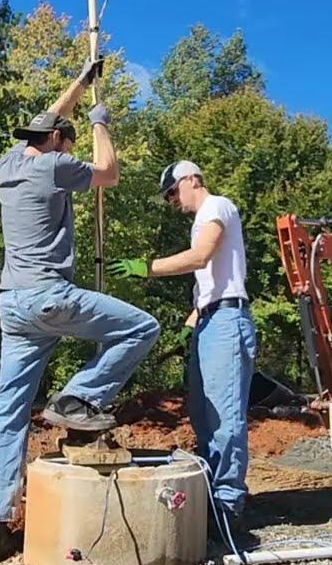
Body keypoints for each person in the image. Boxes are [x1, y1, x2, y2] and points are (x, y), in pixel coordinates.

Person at [0, 59, 161, 564]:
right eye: (67, 142)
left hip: (12, 304)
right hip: (49, 296)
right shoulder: (55, 165)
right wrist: (100, 121)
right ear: (59, 142)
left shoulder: (7, 165)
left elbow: (46, 118)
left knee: (7, 411)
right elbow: (110, 174)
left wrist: (80, 81)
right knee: (142, 326)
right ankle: (78, 398)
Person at [107, 161, 257, 528]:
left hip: (227, 320)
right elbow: (210, 284)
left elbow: (201, 255)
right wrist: (191, 324)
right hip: (210, 319)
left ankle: (227, 507)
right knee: (204, 418)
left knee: (225, 418)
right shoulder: (200, 218)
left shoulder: (216, 206)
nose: (171, 199)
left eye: (173, 190)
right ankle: (212, 497)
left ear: (191, 179)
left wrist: (147, 267)